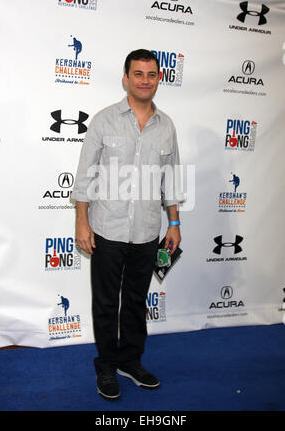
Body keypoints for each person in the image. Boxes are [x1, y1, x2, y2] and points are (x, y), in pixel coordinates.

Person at [71, 49, 181, 400]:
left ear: (158, 79)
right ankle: (105, 365)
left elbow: (172, 180)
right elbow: (85, 177)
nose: (145, 80)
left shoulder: (167, 127)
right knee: (105, 303)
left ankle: (131, 361)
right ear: (126, 78)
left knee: (135, 301)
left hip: (147, 232)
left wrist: (174, 224)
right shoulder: (104, 121)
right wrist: (81, 223)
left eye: (151, 74)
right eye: (138, 74)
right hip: (107, 229)